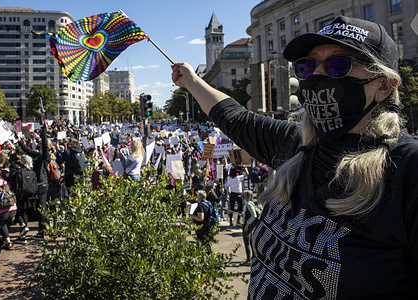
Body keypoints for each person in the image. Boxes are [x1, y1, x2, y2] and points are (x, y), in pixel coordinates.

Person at [171, 16, 417, 298]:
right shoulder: (296, 144)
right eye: (308, 66)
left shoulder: (407, 170)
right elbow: (235, 119)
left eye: (339, 65)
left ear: (384, 85)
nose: (318, 76)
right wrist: (190, 81)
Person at [239, 190, 258, 267]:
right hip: (251, 225)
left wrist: (247, 224)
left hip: (248, 225)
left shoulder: (248, 204)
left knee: (247, 242)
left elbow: (254, 215)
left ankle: (248, 260)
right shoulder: (252, 203)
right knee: (251, 241)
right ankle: (253, 257)